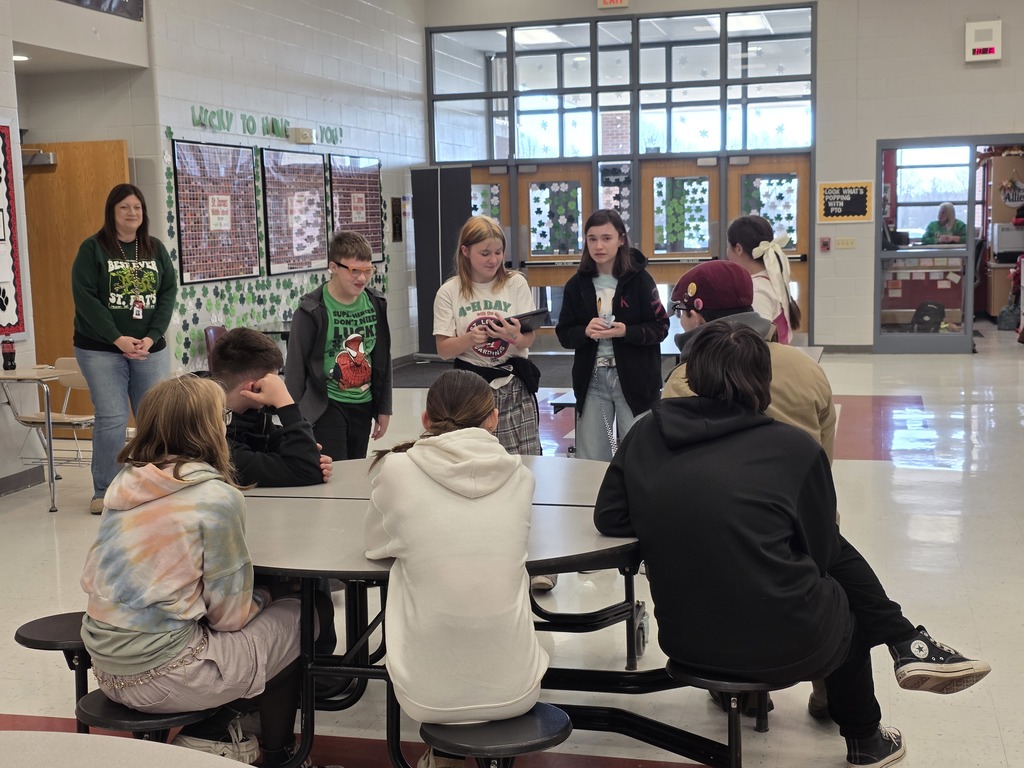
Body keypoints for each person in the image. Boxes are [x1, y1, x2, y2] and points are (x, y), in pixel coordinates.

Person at [594, 323, 991, 768]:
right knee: (846, 605)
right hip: (786, 649)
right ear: (762, 381)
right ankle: (869, 732)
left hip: (686, 642)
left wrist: (673, 514)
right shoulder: (792, 448)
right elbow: (822, 555)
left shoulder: (645, 433)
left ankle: (906, 642)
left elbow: (609, 517)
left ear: (692, 373)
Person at [79, 375, 335, 767]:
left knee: (265, 611)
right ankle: (269, 750)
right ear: (210, 428)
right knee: (306, 611)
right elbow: (230, 618)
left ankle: (235, 721)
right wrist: (269, 593)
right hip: (166, 677)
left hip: (106, 668)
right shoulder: (216, 497)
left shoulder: (127, 481)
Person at [364, 370, 549, 768]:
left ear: (426, 420)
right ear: (494, 419)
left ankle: (444, 756)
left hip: (425, 696)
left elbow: (375, 546)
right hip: (518, 689)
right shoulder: (521, 476)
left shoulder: (396, 469)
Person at [72, 183, 178, 514]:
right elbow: (86, 299)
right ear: (112, 212)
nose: (132, 213)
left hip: (150, 348)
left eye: (137, 208)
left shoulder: (155, 248)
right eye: (124, 208)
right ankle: (105, 489)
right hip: (100, 349)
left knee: (153, 418)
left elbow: (167, 293)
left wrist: (152, 335)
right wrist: (117, 338)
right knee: (112, 417)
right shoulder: (93, 249)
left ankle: (152, 484)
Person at [663, 259, 835, 462]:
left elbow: (674, 463)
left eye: (680, 312)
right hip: (800, 489)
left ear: (697, 317)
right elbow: (824, 452)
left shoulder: (685, 379)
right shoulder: (807, 368)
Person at [555, 209, 669, 461]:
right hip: (593, 380)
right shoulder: (577, 284)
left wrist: (627, 331)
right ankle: (596, 501)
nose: (599, 245)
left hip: (635, 379)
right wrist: (584, 331)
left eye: (606, 238)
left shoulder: (640, 280)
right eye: (592, 238)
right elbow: (564, 334)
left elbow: (660, 327)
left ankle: (638, 501)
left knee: (640, 454)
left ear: (621, 239)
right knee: (592, 458)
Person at [433, 215, 542, 457]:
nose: (493, 260)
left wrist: (513, 336)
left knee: (524, 458)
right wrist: (470, 339)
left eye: (498, 252)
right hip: (471, 388)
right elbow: (443, 350)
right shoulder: (449, 291)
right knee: (476, 459)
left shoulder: (516, 283)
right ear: (465, 251)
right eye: (485, 254)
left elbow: (528, 340)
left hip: (513, 384)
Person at [285, 231, 392, 461]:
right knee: (336, 469)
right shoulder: (311, 311)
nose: (362, 278)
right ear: (333, 267)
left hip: (363, 403)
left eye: (368, 271)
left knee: (355, 467)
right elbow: (295, 368)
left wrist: (384, 407)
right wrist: (294, 420)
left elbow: (382, 358)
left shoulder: (376, 303)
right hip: (327, 404)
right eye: (354, 271)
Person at [210, 327, 332, 487]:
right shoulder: (211, 438)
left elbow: (308, 461)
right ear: (254, 388)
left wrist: (305, 451)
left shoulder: (249, 416)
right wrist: (285, 402)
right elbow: (307, 470)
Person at [724, 215, 801, 344]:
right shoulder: (771, 277)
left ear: (738, 249)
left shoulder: (757, 289)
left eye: (728, 246)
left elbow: (758, 341)